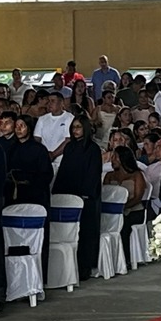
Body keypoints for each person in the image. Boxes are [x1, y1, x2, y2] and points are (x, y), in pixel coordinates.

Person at [53, 114, 106, 278]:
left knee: (86, 233)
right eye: (73, 127)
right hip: (69, 195)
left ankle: (85, 266)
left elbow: (93, 174)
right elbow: (64, 171)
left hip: (86, 198)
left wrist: (85, 194)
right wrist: (57, 191)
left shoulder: (93, 149)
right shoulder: (69, 147)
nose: (75, 130)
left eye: (79, 127)